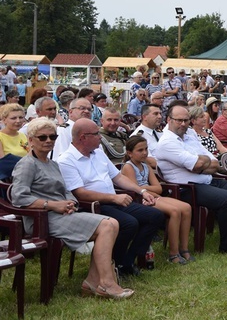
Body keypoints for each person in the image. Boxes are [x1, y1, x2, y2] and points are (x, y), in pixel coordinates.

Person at [11, 117, 133, 299]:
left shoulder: (51, 163)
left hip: (61, 215)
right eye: (42, 137)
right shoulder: (27, 164)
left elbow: (65, 190)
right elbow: (18, 196)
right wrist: (52, 205)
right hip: (41, 220)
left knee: (112, 224)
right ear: (30, 140)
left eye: (52, 137)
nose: (48, 141)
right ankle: (106, 283)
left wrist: (71, 203)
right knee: (108, 225)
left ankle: (92, 281)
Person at [58, 118, 164, 277]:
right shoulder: (66, 160)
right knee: (130, 223)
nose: (100, 137)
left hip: (113, 200)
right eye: (96, 134)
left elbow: (119, 178)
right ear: (82, 137)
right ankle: (118, 264)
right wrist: (113, 198)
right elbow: (80, 193)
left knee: (155, 216)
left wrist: (142, 192)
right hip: (92, 206)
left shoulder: (98, 153)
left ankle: (126, 261)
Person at [154, 105, 227, 254]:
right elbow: (197, 164)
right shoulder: (167, 142)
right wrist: (200, 164)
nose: (183, 124)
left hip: (207, 180)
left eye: (186, 120)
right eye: (179, 120)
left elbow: (213, 162)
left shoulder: (189, 135)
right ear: (169, 120)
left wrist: (201, 165)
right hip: (186, 188)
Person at [121, 136, 193, 265]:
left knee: (187, 207)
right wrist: (148, 190)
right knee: (175, 211)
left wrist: (146, 189)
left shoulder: (146, 166)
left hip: (152, 196)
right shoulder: (128, 167)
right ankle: (173, 254)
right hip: (141, 200)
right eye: (140, 150)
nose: (144, 152)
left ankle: (184, 248)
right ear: (129, 153)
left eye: (146, 149)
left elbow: (158, 188)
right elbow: (135, 189)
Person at [0, 103, 29, 181]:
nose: (18, 121)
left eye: (21, 117)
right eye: (13, 118)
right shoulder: (1, 137)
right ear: (4, 120)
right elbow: (3, 163)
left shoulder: (24, 136)